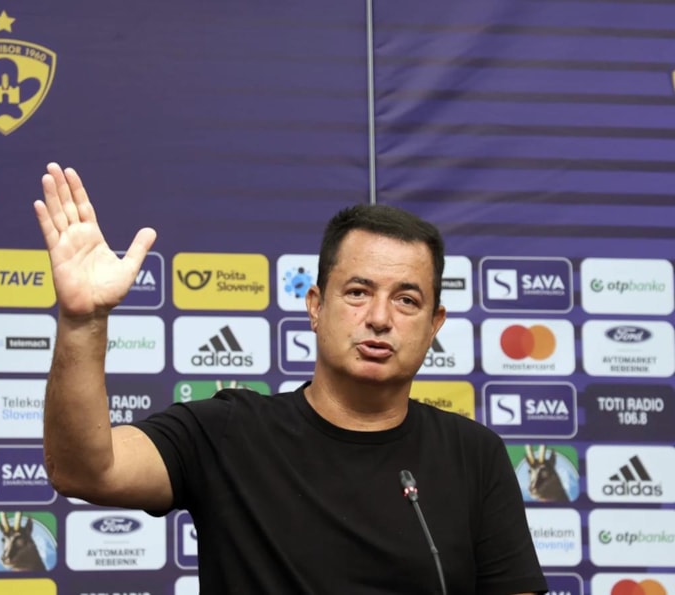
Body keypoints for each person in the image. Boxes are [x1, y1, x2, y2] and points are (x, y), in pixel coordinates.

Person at [35, 162, 548, 594]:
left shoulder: (474, 455)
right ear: (316, 306)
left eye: (406, 300)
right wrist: (83, 321)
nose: (379, 318)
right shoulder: (228, 432)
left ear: (435, 324)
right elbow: (84, 471)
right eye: (357, 293)